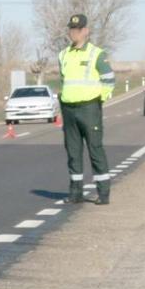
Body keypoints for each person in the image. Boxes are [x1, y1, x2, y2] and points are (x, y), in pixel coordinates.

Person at [58, 14, 115, 204]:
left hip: (89, 108)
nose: (74, 33)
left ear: (86, 31)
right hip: (69, 108)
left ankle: (103, 193)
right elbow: (63, 80)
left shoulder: (96, 54)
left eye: (78, 29)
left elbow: (109, 80)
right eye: (72, 30)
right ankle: (75, 193)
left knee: (95, 149)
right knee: (73, 152)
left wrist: (100, 99)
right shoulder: (63, 54)